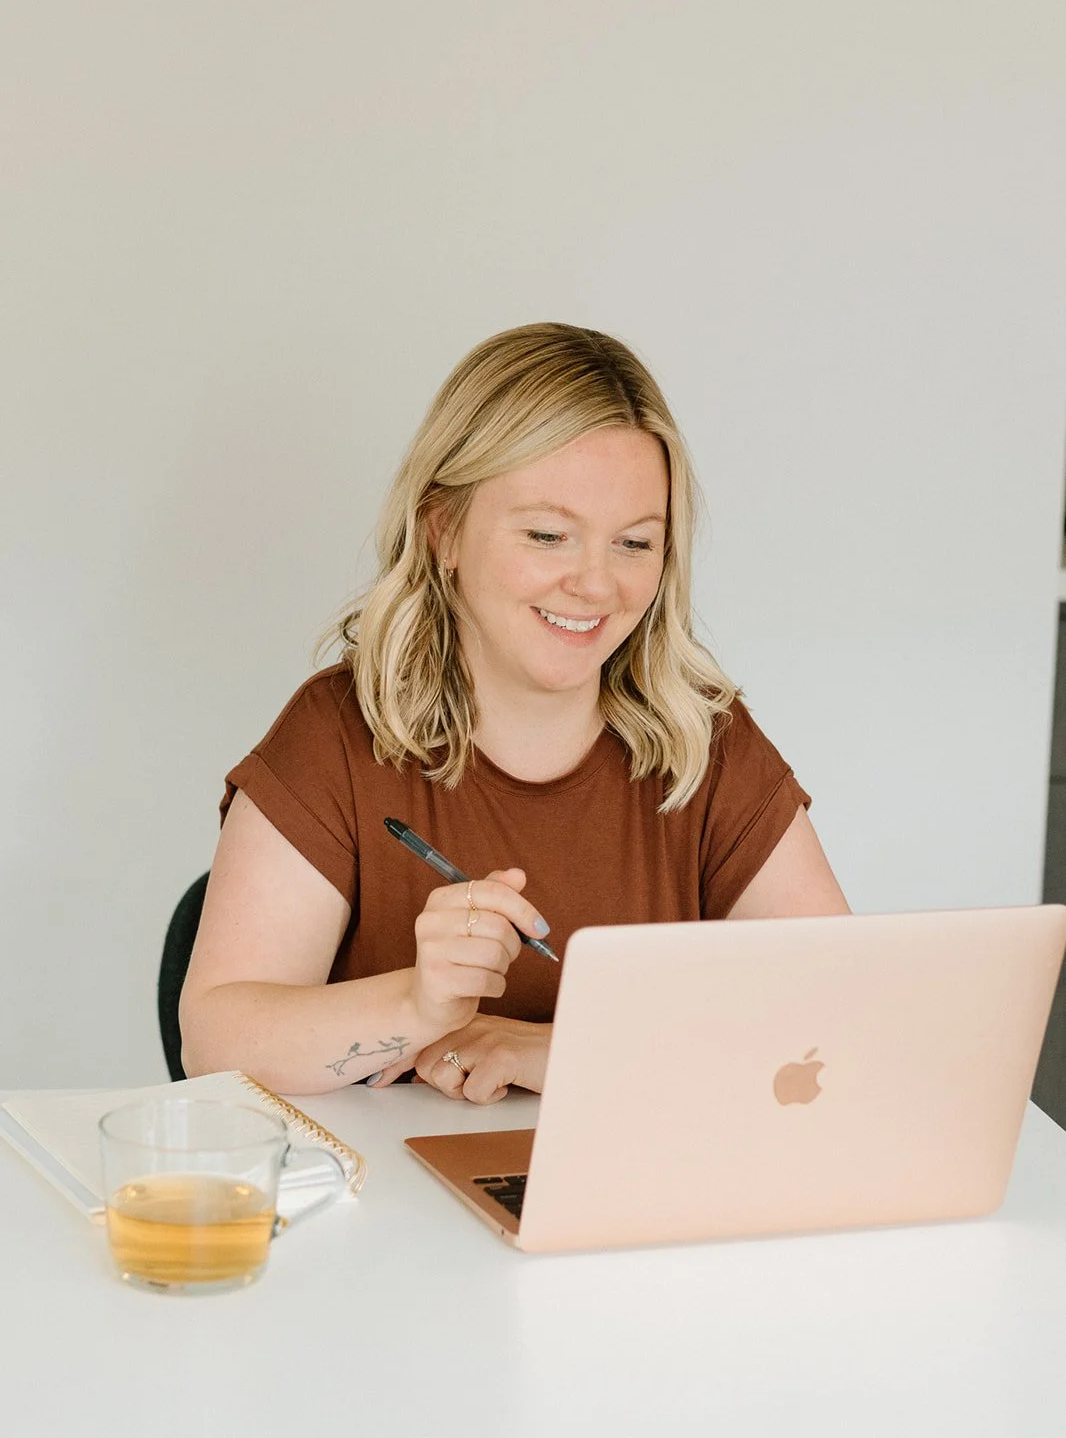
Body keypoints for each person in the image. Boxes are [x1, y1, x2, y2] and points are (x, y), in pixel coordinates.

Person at [180, 323, 849, 1099]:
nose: (596, 586)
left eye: (634, 544)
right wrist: (418, 1003)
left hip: (635, 1196)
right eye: (548, 535)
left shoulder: (707, 739)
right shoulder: (336, 733)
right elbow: (216, 1045)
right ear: (443, 531)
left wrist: (553, 1052)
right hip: (392, 1209)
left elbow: (833, 1006)